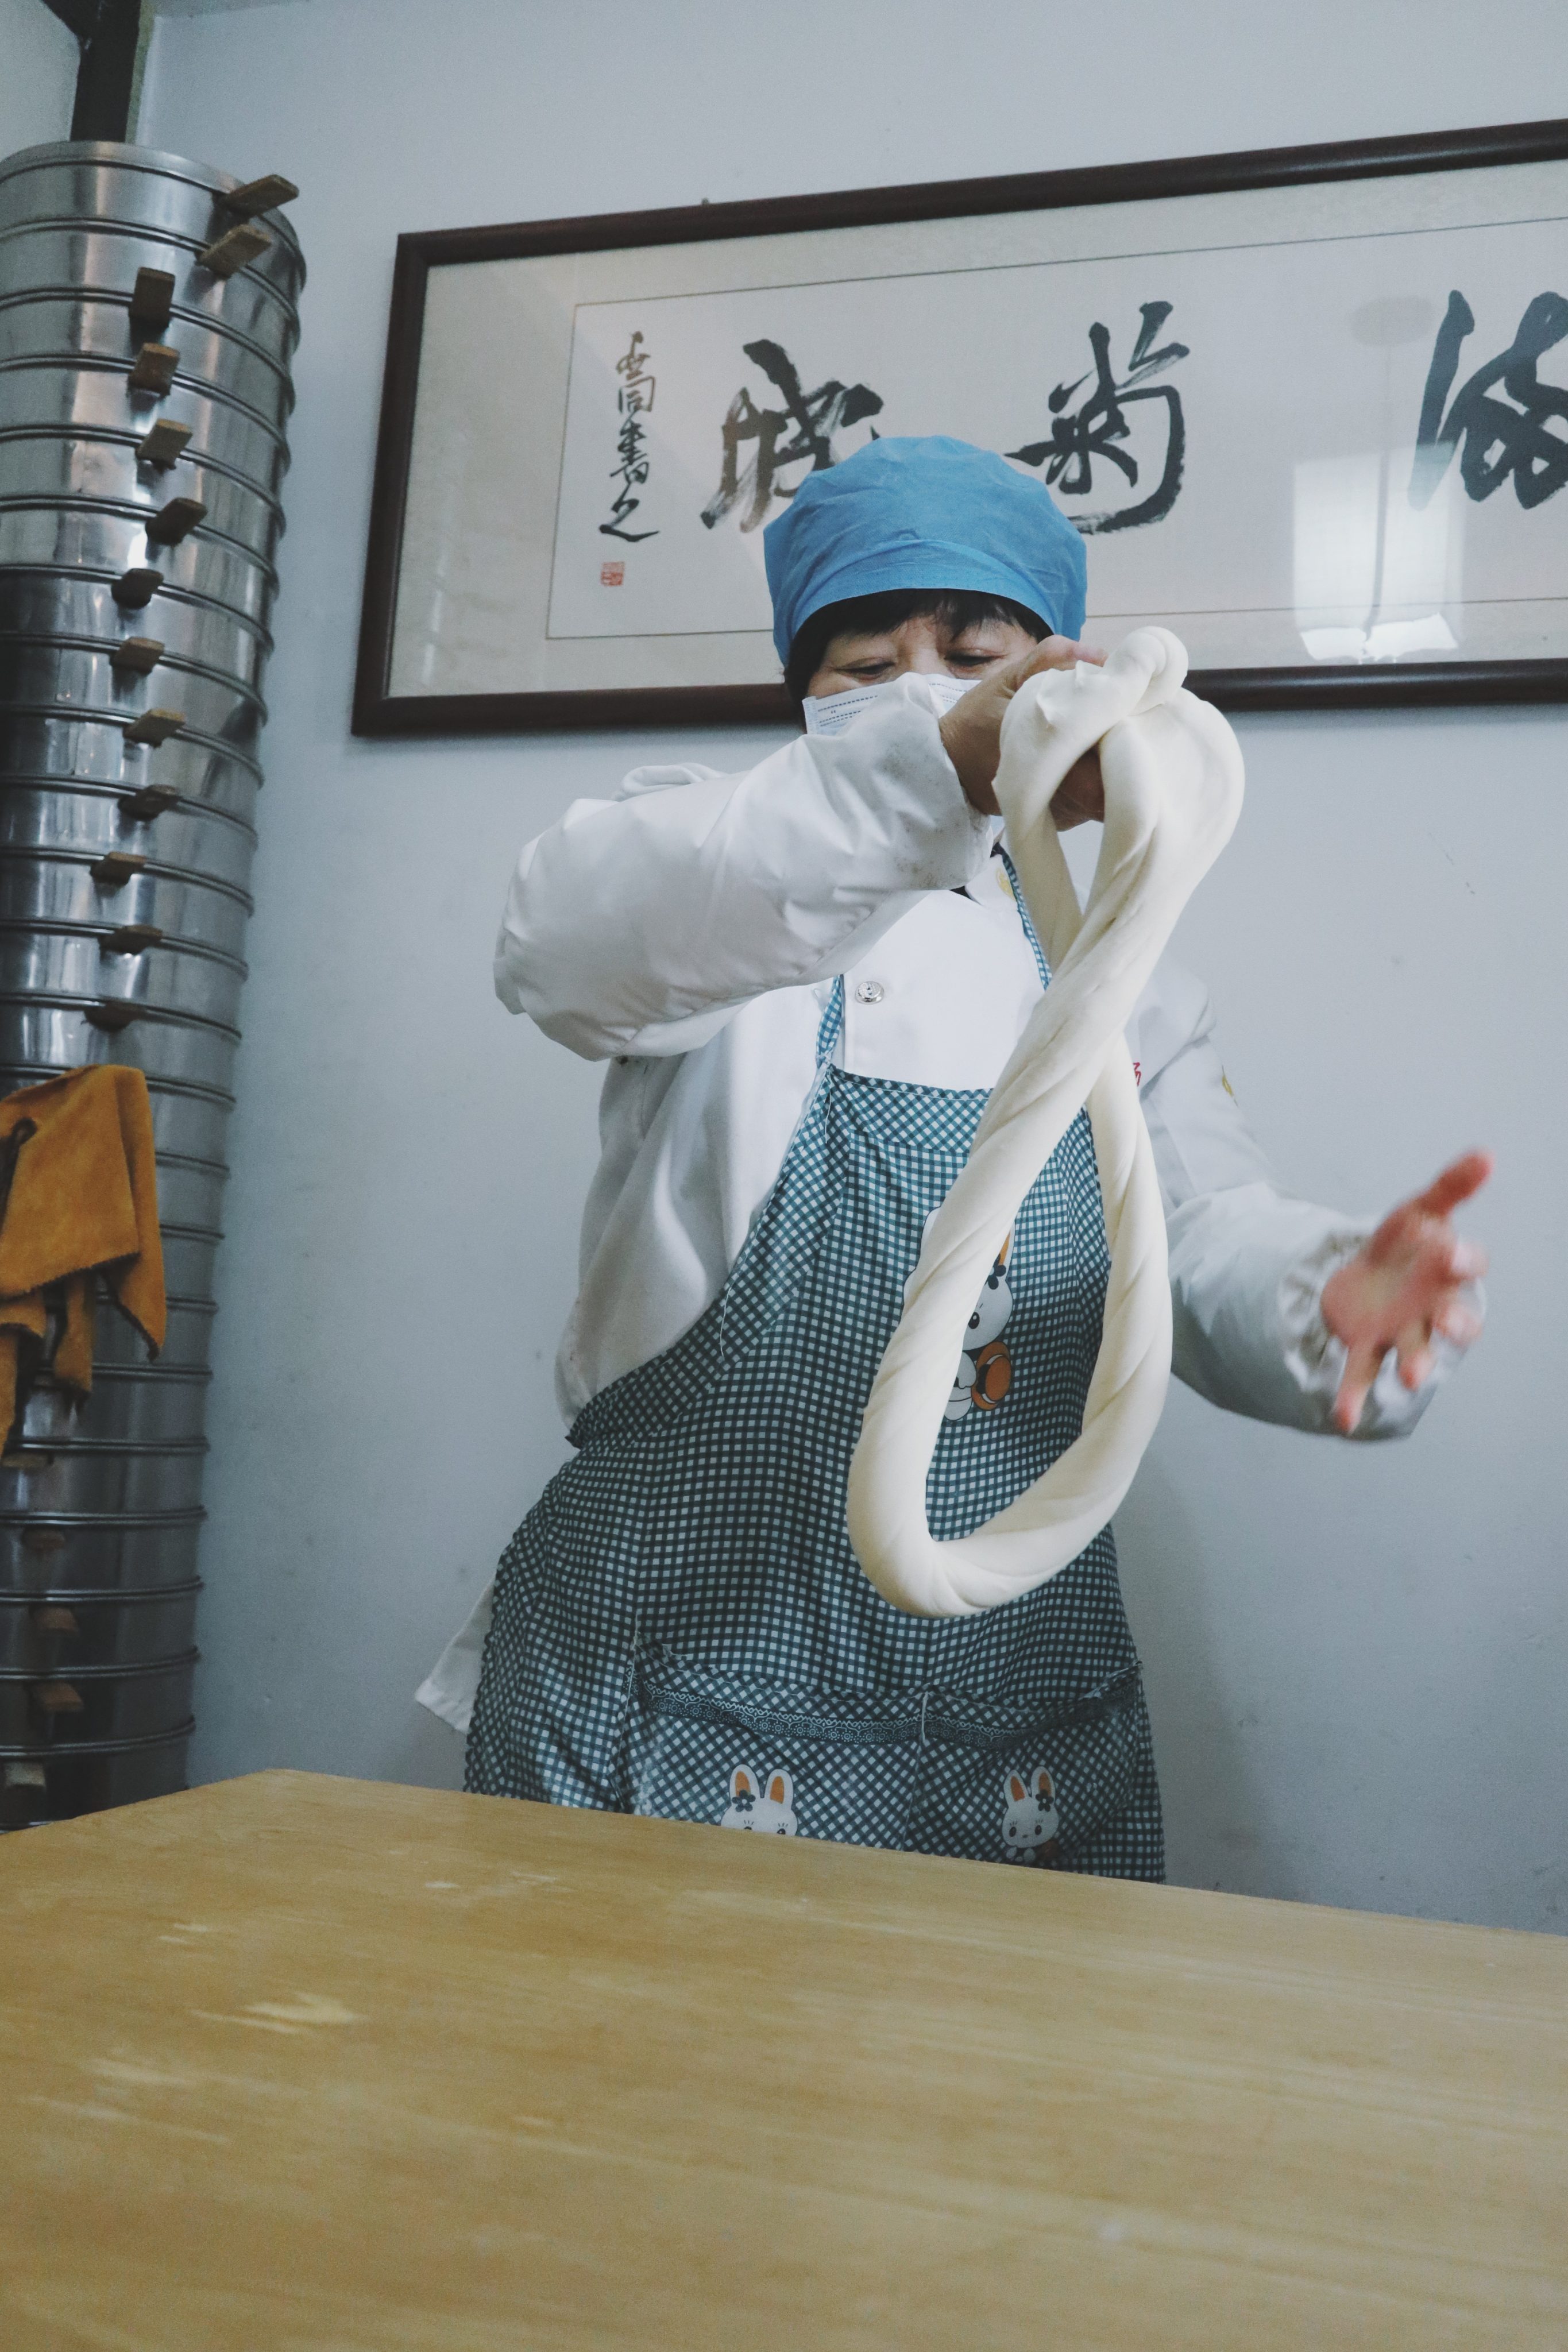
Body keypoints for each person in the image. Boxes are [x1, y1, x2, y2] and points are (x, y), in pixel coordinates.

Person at [424, 436, 1488, 1879]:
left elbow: (1200, 1232)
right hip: (670, 1651)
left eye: (976, 649)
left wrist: (1324, 1297)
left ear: (1062, 676)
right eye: (869, 663)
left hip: (1012, 1706)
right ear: (805, 694)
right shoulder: (725, 877)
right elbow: (562, 943)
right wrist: (928, 769)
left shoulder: (1122, 972)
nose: (931, 684)